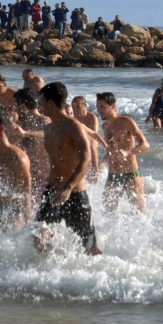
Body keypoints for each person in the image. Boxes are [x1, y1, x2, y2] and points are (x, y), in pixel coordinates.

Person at [34, 82, 101, 255]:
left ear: (50, 103)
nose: (39, 106)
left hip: (75, 193)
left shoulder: (73, 127)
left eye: (41, 102)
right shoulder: (48, 128)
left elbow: (85, 159)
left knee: (88, 247)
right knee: (38, 236)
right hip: (52, 191)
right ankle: (49, 273)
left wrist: (69, 187)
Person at [96, 92, 150, 215]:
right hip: (112, 176)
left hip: (131, 175)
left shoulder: (126, 122)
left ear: (113, 106)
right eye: (98, 107)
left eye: (103, 107)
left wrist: (128, 152)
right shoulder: (105, 127)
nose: (99, 110)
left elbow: (145, 145)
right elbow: (111, 152)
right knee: (108, 214)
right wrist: (101, 163)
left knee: (140, 214)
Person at [10, 88, 50, 197]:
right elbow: (11, 145)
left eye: (16, 105)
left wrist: (25, 133)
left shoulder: (44, 120)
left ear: (22, 106)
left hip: (47, 178)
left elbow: (46, 133)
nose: (14, 108)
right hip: (31, 177)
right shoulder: (23, 124)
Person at [71, 96, 102, 183]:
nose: (75, 110)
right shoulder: (73, 118)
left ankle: (95, 171)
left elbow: (94, 135)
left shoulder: (92, 118)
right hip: (79, 144)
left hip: (91, 143)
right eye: (73, 107)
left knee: (92, 144)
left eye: (78, 107)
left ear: (85, 106)